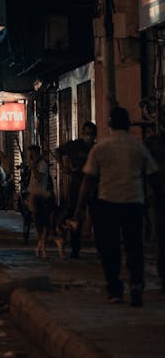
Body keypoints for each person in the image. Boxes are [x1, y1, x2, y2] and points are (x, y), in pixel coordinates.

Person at [70, 106, 160, 306]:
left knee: (110, 249)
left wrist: (79, 207)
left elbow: (89, 181)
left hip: (108, 204)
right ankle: (136, 286)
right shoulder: (138, 147)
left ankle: (115, 289)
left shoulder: (101, 147)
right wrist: (159, 199)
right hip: (134, 204)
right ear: (128, 124)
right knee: (134, 247)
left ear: (109, 124)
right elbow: (153, 176)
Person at [55, 121, 97, 258]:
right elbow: (58, 151)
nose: (88, 137)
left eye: (91, 134)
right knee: (75, 216)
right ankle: (75, 249)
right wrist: (62, 166)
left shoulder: (97, 148)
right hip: (77, 183)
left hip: (93, 185)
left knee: (97, 217)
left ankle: (100, 248)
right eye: (86, 133)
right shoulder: (74, 145)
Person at [144, 107, 165, 294]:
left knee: (161, 238)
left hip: (156, 198)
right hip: (157, 198)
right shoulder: (151, 144)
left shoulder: (152, 144)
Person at [25, 145, 55, 259]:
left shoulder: (42, 165)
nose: (30, 156)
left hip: (40, 197)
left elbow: (39, 178)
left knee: (41, 223)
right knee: (35, 221)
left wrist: (33, 168)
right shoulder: (36, 163)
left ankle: (43, 246)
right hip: (33, 195)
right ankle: (40, 247)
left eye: (31, 153)